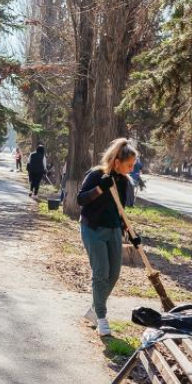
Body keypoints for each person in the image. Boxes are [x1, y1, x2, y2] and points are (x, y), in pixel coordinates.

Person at [77, 138, 140, 337]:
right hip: (93, 229)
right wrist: (100, 188)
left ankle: (95, 309)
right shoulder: (96, 175)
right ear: (117, 162)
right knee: (101, 272)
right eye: (129, 165)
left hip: (113, 230)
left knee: (113, 274)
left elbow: (119, 210)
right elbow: (80, 199)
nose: (131, 170)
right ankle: (102, 319)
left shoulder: (123, 181)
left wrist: (131, 234)